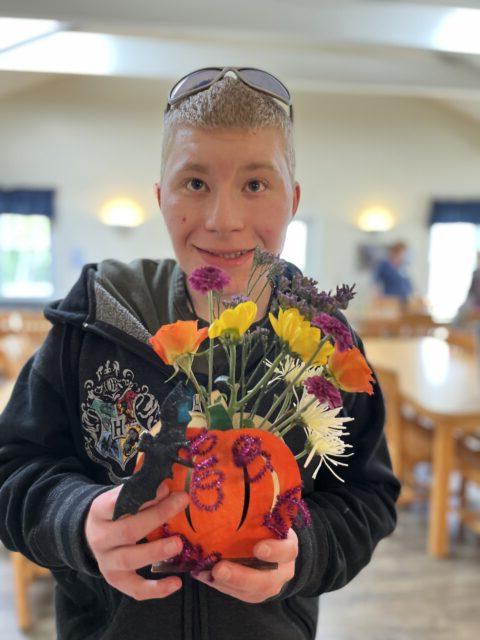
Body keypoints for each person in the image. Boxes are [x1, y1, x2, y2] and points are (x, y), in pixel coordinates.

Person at [0, 67, 399, 640]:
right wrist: (76, 521)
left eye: (256, 185)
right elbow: (14, 469)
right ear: (161, 196)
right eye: (195, 184)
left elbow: (368, 494)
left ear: (294, 199)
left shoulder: (327, 344)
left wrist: (302, 553)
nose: (223, 220)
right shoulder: (92, 320)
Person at [373, 241, 413, 306]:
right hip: (390, 299)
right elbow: (375, 281)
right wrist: (377, 296)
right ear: (396, 252)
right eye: (403, 252)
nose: (405, 255)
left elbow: (407, 282)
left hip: (405, 300)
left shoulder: (403, 265)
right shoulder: (384, 264)